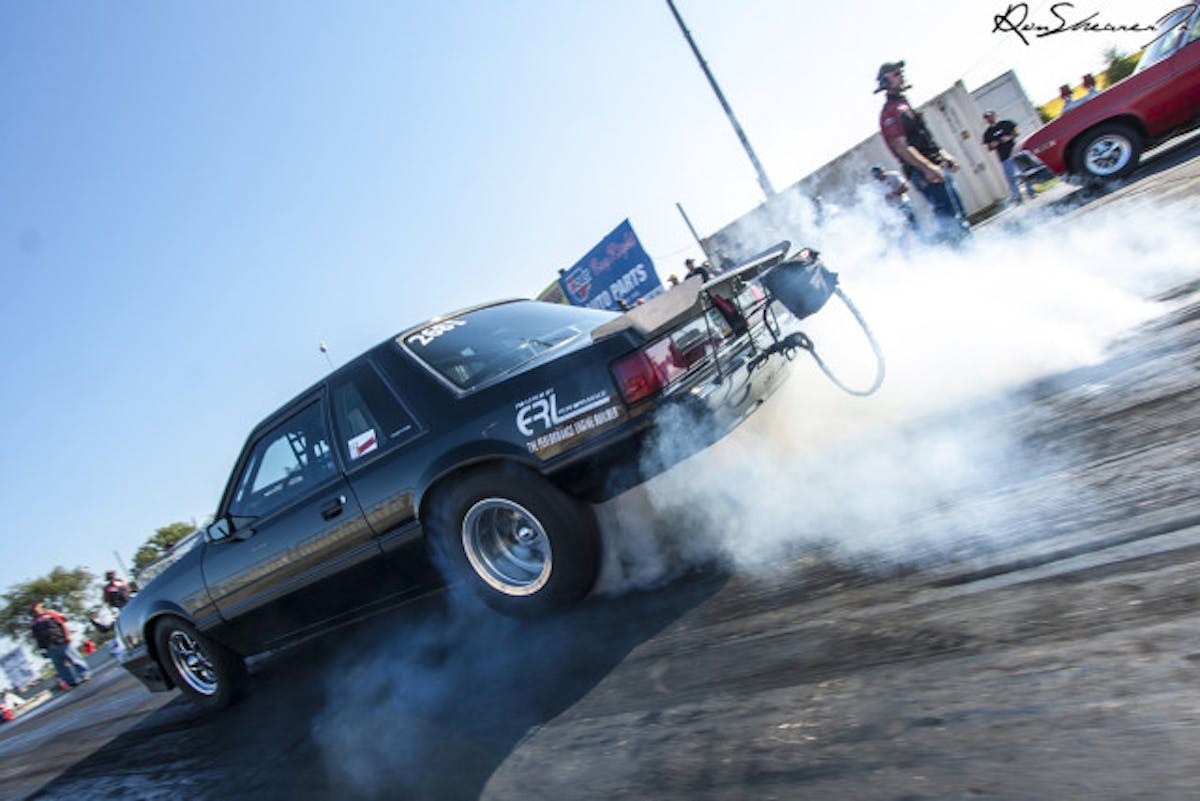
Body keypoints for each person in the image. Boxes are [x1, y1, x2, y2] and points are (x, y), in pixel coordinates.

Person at [876, 60, 970, 243]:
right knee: (951, 220)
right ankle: (964, 258)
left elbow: (925, 138)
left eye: (900, 72)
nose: (901, 76)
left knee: (959, 215)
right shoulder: (890, 111)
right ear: (885, 82)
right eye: (895, 74)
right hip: (923, 171)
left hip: (935, 165)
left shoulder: (904, 104)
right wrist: (927, 168)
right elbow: (900, 147)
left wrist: (945, 156)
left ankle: (973, 255)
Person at [30, 602, 91, 688]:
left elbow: (62, 623)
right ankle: (71, 681)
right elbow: (36, 637)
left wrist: (67, 636)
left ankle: (84, 674)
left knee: (74, 659)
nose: (35, 610)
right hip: (49, 646)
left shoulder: (51, 614)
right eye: (33, 609)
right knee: (60, 665)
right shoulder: (33, 623)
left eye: (36, 607)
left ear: (40, 607)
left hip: (61, 641)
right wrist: (42, 648)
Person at [982, 110, 1036, 205]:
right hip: (1004, 158)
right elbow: (989, 148)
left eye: (991, 116)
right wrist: (993, 145)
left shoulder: (1006, 124)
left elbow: (1017, 133)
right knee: (1011, 179)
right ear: (985, 120)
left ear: (995, 115)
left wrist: (1009, 137)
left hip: (1015, 152)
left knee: (1024, 173)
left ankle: (1031, 192)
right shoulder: (988, 133)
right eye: (987, 117)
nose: (989, 118)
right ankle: (1018, 198)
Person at [870, 164, 918, 229]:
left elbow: (905, 187)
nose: (879, 177)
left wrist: (894, 194)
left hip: (903, 203)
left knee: (912, 224)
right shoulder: (875, 184)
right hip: (892, 209)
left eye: (879, 173)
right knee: (899, 228)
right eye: (876, 175)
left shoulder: (893, 175)